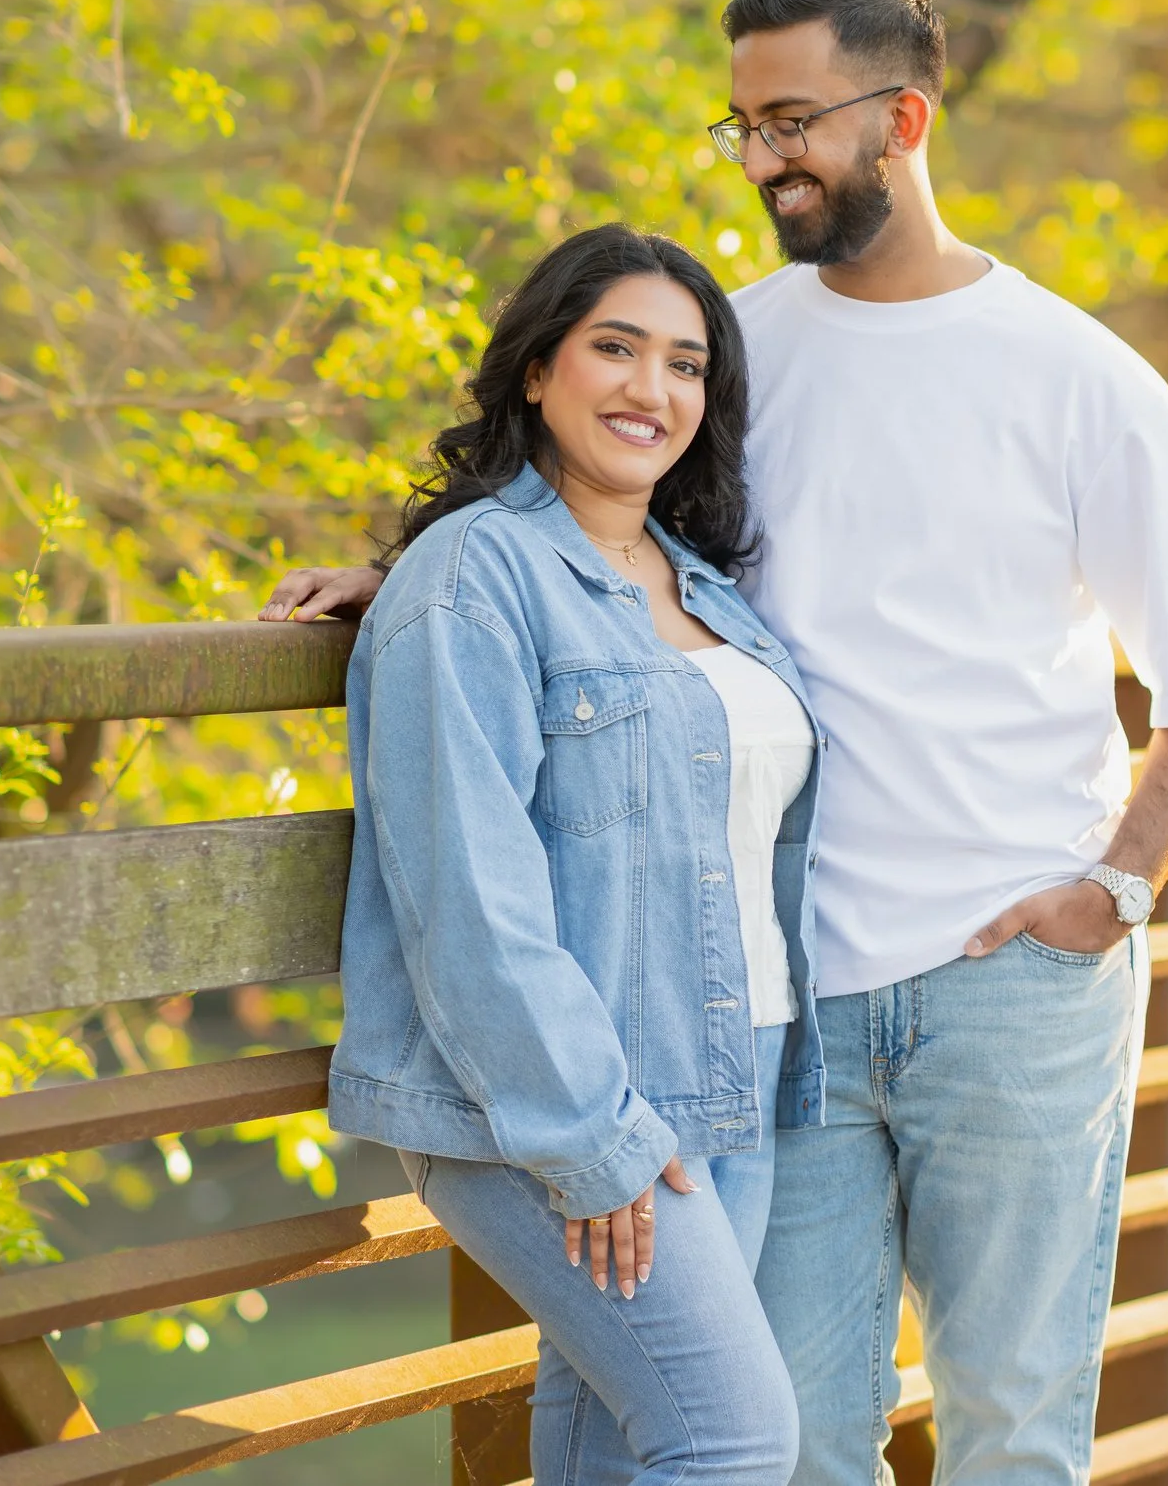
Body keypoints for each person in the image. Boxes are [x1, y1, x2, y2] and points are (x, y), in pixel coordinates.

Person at [268, 0, 1168, 1486]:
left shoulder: (1084, 378)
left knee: (1011, 1430)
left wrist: (1114, 889)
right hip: (775, 1006)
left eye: (793, 120)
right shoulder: (726, 347)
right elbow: (600, 527)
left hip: (1013, 980)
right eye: (740, 125)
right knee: (791, 1443)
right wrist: (414, 572)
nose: (761, 159)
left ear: (905, 115)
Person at [323, 223, 824, 1486]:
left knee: (622, 1441)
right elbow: (465, 893)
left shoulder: (703, 583)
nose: (650, 390)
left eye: (685, 363)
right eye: (615, 347)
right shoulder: (467, 579)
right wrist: (585, 1131)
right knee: (731, 1439)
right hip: (559, 1093)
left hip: (735, 1069)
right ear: (537, 370)